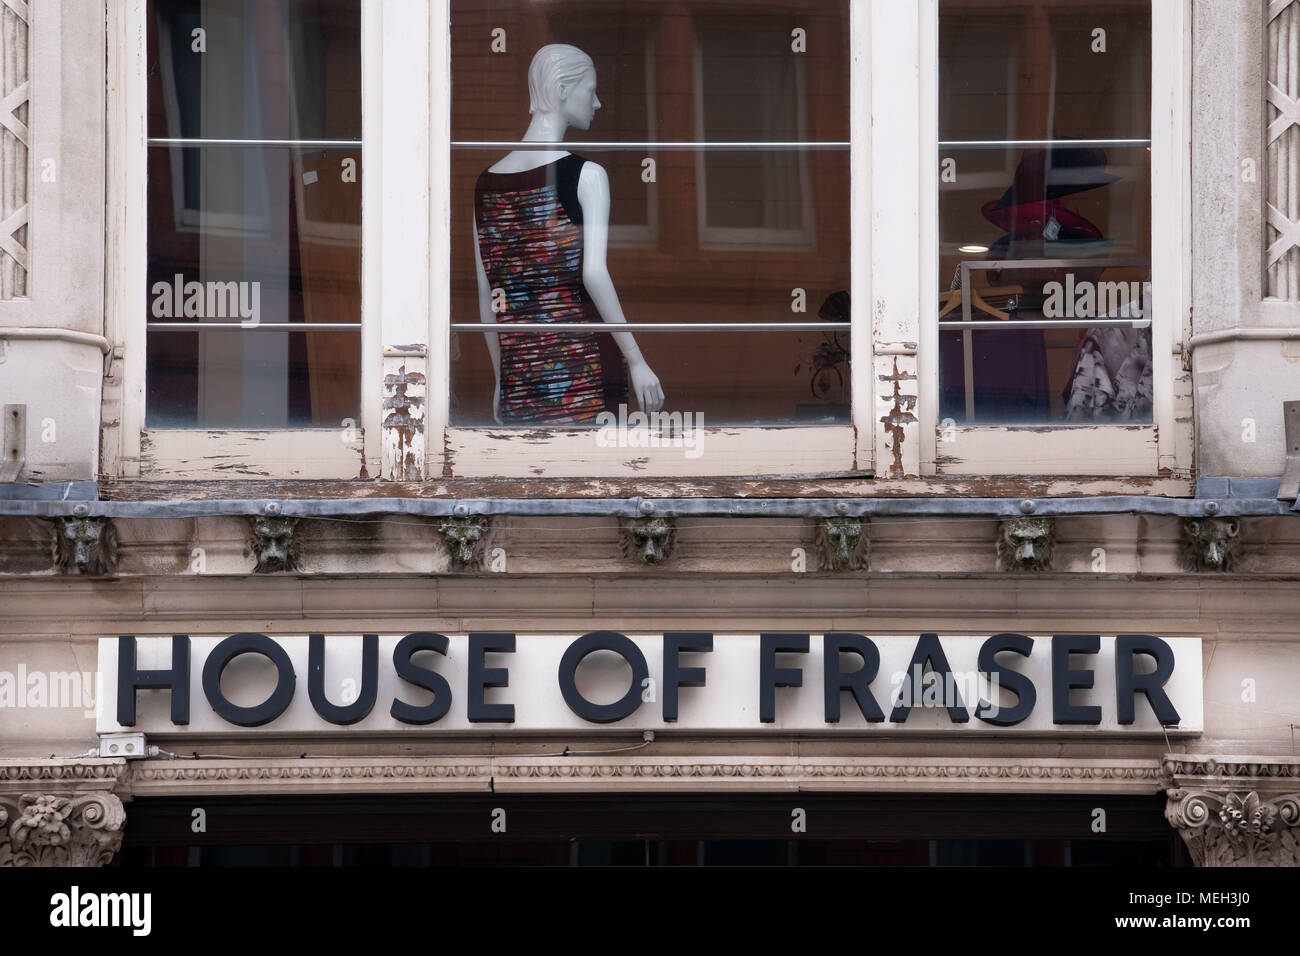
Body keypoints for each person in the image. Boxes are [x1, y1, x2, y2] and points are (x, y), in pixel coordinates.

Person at [473, 43, 664, 425]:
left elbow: (489, 297)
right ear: (562, 90)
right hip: (585, 372)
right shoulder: (586, 175)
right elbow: (593, 274)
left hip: (520, 379)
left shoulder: (486, 184)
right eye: (591, 91)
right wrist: (637, 360)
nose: (598, 104)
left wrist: (502, 379)